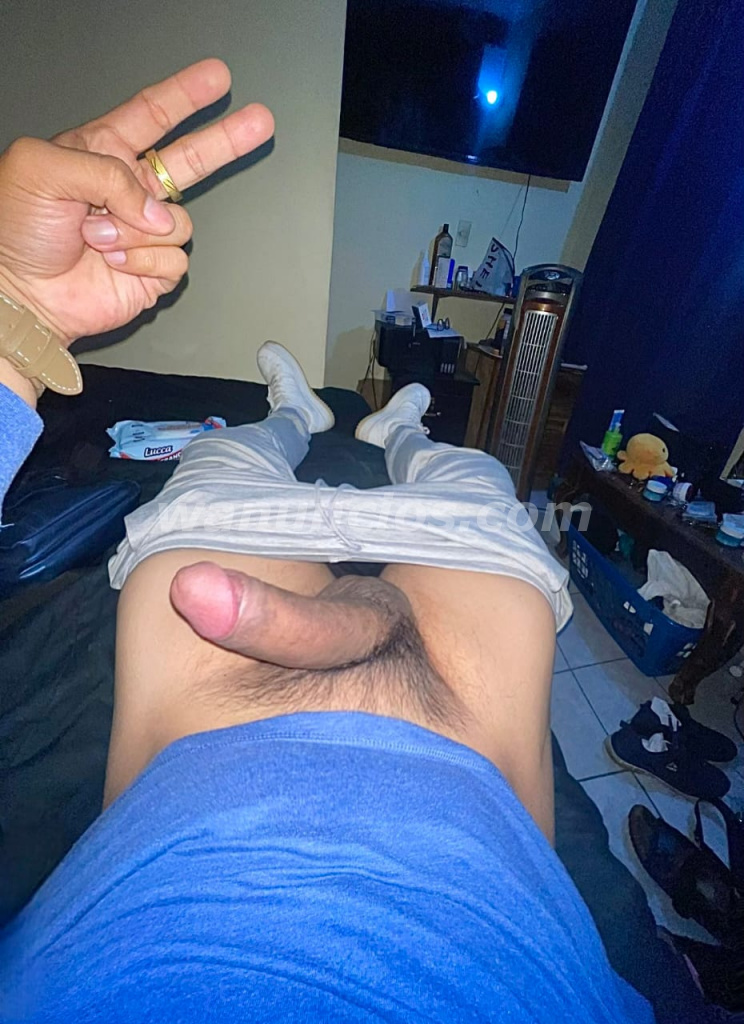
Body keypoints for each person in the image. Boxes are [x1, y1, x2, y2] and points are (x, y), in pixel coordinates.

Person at [0, 63, 654, 1023]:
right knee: (478, 476)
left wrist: (13, 321)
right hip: (470, 673)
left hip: (208, 640)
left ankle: (297, 419)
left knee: (225, 458)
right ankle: (401, 435)